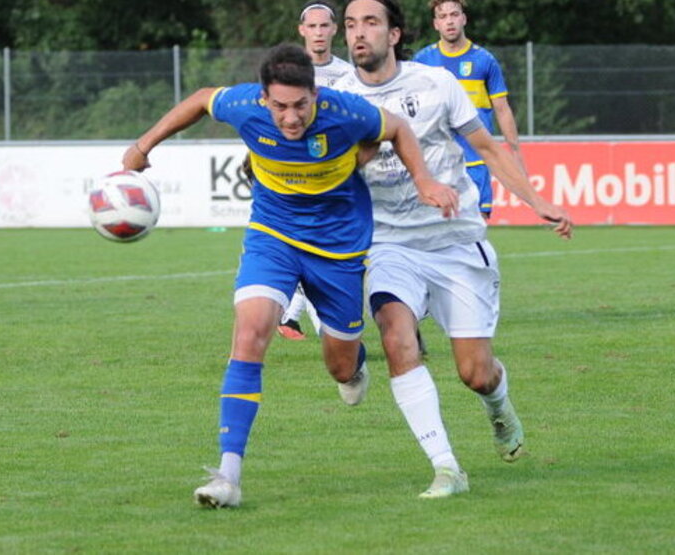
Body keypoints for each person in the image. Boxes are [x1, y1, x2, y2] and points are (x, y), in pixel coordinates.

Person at [121, 44, 457, 509]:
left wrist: (423, 180)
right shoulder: (244, 106)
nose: (292, 117)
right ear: (263, 98)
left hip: (338, 249)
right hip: (273, 236)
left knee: (341, 366)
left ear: (315, 95)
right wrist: (143, 146)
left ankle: (352, 363)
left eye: (301, 104)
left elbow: (396, 128)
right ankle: (228, 475)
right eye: (280, 106)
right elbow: (200, 98)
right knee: (250, 333)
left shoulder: (344, 112)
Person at [335, 0, 572, 499]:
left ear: (394, 34)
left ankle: (499, 407)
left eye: (370, 22)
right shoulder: (335, 99)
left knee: (476, 373)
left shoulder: (437, 83)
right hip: (389, 244)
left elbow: (485, 147)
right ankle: (446, 467)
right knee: (396, 338)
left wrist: (536, 200)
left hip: (455, 240)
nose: (358, 32)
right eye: (351, 23)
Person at [276, 0, 354, 341]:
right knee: (304, 248)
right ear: (302, 31)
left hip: (340, 175)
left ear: (335, 30)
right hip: (295, 173)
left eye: (325, 25)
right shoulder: (287, 72)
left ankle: (298, 315)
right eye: (313, 26)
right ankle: (316, 321)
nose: (319, 32)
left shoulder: (349, 74)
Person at [413, 0, 527, 219]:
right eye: (443, 16)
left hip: (476, 160)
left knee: (478, 227)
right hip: (438, 162)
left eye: (454, 14)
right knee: (435, 231)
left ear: (464, 19)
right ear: (436, 24)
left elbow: (502, 109)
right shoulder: (422, 61)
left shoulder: (484, 60)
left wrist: (514, 151)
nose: (449, 21)